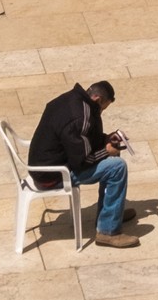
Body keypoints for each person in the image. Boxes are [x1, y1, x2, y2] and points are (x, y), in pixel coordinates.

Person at [27, 78, 137, 249]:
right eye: (103, 107)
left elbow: (82, 139)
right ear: (98, 100)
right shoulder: (80, 117)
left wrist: (105, 139)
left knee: (112, 159)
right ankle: (107, 232)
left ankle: (111, 214)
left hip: (50, 161)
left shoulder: (71, 99)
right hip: (52, 174)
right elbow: (82, 161)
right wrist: (106, 151)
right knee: (117, 167)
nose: (102, 111)